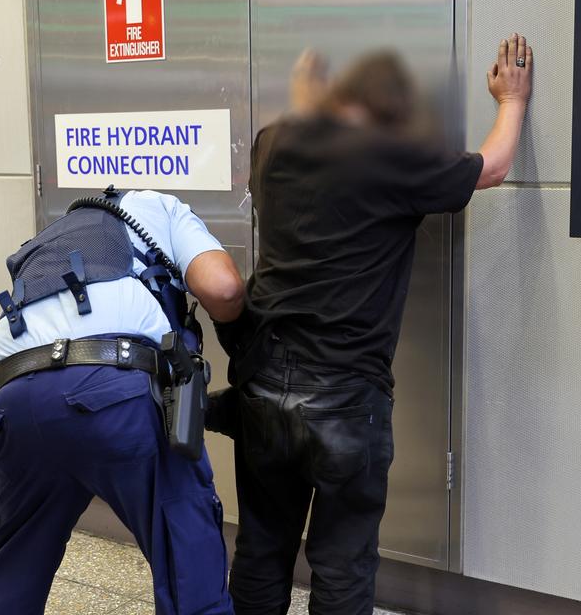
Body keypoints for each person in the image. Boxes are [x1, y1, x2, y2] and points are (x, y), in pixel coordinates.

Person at [212, 36, 532, 615]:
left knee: (262, 546)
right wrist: (511, 100)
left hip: (263, 382)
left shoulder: (272, 144)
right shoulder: (393, 158)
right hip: (344, 392)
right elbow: (494, 168)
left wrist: (308, 103)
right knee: (341, 561)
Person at [0, 188, 245, 615]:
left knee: (12, 559)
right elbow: (222, 290)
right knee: (185, 542)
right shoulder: (164, 208)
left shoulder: (55, 236)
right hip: (115, 390)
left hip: (15, 398)